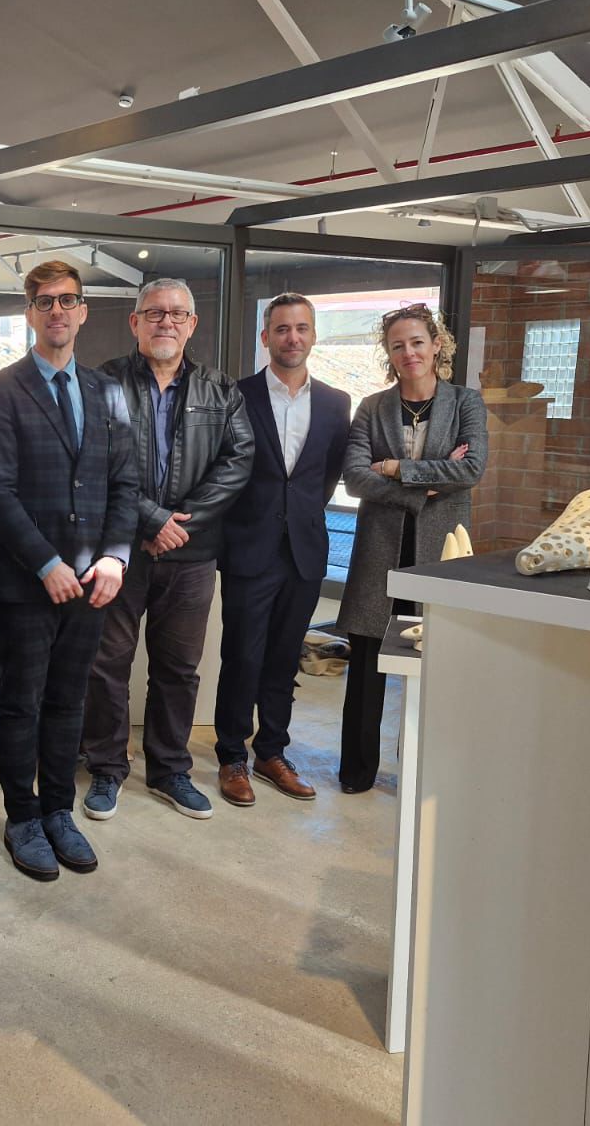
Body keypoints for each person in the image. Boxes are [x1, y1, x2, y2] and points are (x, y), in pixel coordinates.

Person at [0, 260, 139, 881]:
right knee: (22, 704)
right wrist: (45, 562)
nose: (58, 312)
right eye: (45, 302)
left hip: (92, 585)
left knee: (70, 702)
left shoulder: (107, 391)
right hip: (26, 583)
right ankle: (22, 819)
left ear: (84, 311)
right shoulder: (0, 388)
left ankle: (58, 812)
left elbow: (126, 483)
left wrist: (114, 556)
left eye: (68, 301)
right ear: (30, 313)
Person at [81, 278, 254, 822]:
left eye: (178, 314)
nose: (166, 322)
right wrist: (151, 519)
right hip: (118, 551)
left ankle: (170, 770)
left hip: (193, 554)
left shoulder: (221, 390)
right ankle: (107, 768)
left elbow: (238, 462)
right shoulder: (102, 383)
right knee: (107, 665)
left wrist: (182, 523)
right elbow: (91, 464)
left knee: (179, 668)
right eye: (154, 313)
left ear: (192, 325)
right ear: (135, 323)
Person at [335, 304, 487, 793]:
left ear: (436, 344)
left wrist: (397, 469)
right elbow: (355, 478)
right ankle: (357, 773)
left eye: (417, 342)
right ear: (389, 352)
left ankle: (429, 773)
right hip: (379, 550)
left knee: (438, 663)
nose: (409, 353)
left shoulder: (465, 403)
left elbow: (472, 470)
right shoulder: (371, 407)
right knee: (365, 665)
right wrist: (430, 482)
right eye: (398, 344)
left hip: (441, 552)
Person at [214, 293, 352, 806]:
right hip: (249, 546)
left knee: (282, 658)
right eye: (281, 329)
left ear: (313, 335)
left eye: (301, 328)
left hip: (305, 548)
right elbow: (223, 466)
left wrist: (301, 513)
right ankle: (232, 755)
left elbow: (328, 474)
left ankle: (272, 751)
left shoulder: (338, 402)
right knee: (242, 656)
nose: (291, 337)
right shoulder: (237, 394)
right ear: (265, 337)